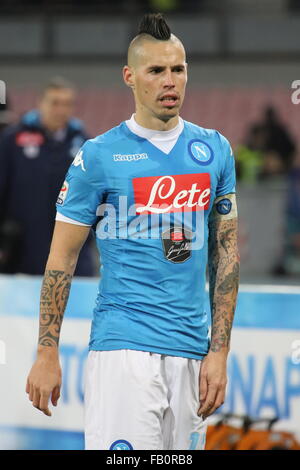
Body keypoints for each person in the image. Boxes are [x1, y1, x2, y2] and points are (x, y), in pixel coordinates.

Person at [26, 13, 240, 450]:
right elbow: (61, 259)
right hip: (124, 350)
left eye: (178, 69)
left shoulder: (214, 149)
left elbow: (227, 256)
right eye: (156, 70)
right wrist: (46, 351)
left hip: (193, 352)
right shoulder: (98, 156)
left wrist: (219, 352)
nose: (169, 81)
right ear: (130, 76)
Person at [0, 77, 95, 275]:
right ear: (40, 103)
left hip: (74, 253)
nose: (61, 110)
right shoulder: (12, 140)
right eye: (55, 103)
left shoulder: (86, 145)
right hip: (22, 251)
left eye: (67, 104)